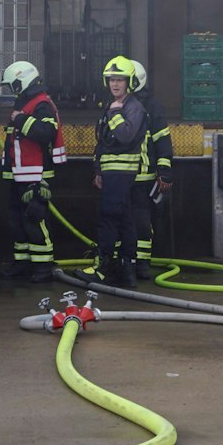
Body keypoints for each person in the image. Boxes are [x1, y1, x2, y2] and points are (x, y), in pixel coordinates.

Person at [81, 55, 150, 287]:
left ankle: (102, 269)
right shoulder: (113, 106)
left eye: (120, 79)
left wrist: (115, 114)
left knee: (108, 218)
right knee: (124, 220)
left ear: (129, 82)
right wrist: (98, 170)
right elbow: (102, 142)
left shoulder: (133, 107)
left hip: (122, 173)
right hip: (110, 172)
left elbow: (125, 135)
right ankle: (126, 271)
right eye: (112, 79)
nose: (115, 84)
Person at [0, 61, 65, 283]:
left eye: (13, 85)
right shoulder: (26, 102)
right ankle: (22, 263)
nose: (12, 90)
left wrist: (20, 119)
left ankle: (43, 267)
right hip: (20, 174)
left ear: (22, 81)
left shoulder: (42, 104)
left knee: (35, 220)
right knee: (17, 221)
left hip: (35, 175)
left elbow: (45, 132)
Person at [125, 59, 174, 280]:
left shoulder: (152, 106)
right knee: (121, 219)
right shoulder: (118, 103)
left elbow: (162, 140)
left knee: (142, 221)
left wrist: (164, 171)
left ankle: (142, 263)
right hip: (121, 175)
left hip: (143, 176)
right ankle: (124, 261)